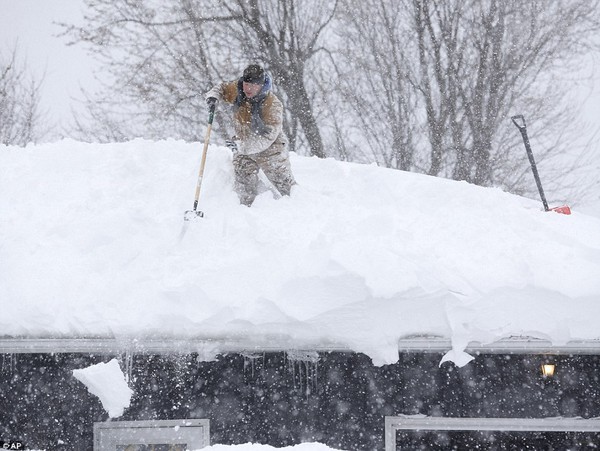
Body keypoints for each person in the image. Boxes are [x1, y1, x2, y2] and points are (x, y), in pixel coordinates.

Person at [205, 64, 296, 206]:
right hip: (243, 145)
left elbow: (268, 137)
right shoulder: (238, 90)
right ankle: (246, 213)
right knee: (243, 186)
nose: (248, 89)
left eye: (253, 85)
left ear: (261, 85)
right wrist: (213, 97)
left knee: (286, 187)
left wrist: (241, 146)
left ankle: (301, 210)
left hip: (271, 150)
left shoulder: (272, 105)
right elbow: (221, 89)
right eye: (247, 84)